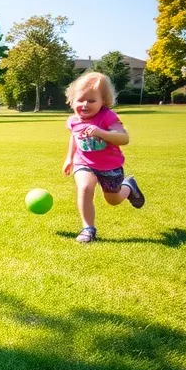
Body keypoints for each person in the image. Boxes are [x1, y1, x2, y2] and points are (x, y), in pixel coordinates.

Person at [62, 72, 144, 243]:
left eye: (91, 101)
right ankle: (88, 229)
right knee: (84, 188)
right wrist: (69, 158)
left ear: (103, 102)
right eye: (80, 100)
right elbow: (74, 137)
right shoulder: (73, 121)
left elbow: (124, 138)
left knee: (113, 200)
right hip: (83, 162)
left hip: (109, 166)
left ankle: (128, 186)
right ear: (72, 101)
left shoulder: (107, 116)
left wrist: (102, 133)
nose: (84, 105)